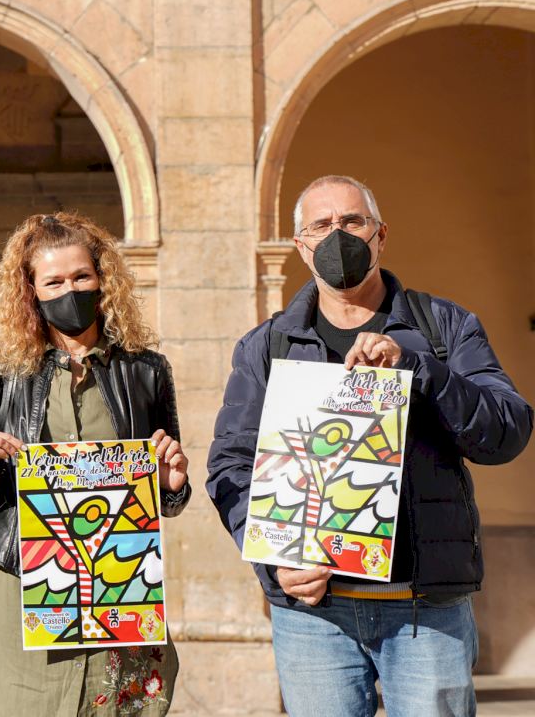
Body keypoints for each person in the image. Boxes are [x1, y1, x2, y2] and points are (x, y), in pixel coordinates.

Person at [207, 175, 532, 717]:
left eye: (352, 221)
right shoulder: (267, 346)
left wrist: (418, 369)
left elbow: (508, 430)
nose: (338, 235)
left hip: (425, 611)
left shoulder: (443, 328)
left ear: (381, 235)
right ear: (301, 246)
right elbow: (231, 465)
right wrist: (273, 562)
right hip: (313, 618)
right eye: (321, 225)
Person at [0, 212, 191, 717]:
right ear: (31, 292)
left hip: (120, 582)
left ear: (103, 279)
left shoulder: (147, 371)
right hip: (25, 582)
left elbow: (167, 501)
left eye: (81, 276)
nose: (70, 290)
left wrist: (171, 484)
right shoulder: (2, 372)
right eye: (54, 281)